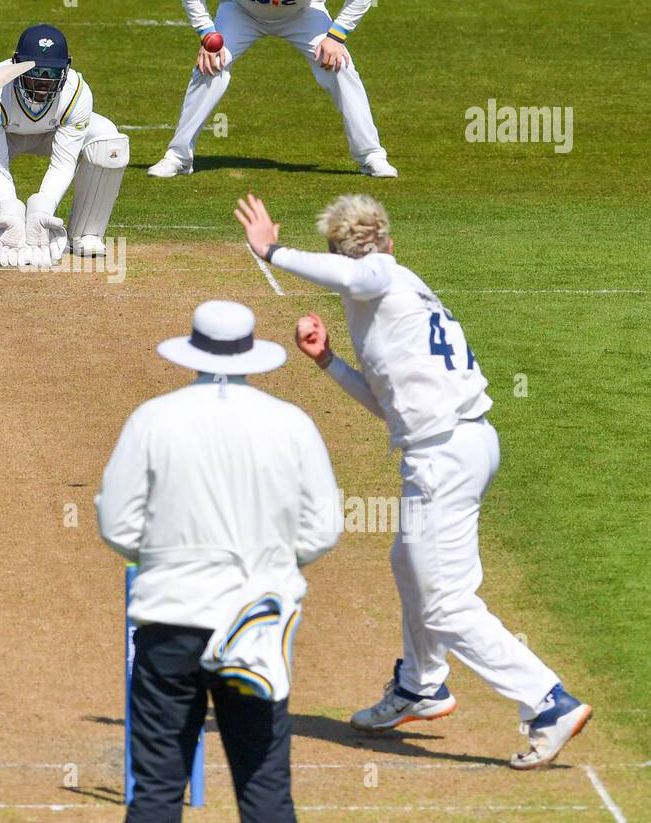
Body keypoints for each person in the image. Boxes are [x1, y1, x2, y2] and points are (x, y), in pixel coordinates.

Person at [235, 191, 593, 770]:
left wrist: (271, 251)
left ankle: (547, 701)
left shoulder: (379, 276)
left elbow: (363, 269)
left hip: (443, 460)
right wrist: (329, 362)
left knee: (446, 604)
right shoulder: (397, 296)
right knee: (410, 564)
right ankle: (421, 686)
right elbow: (392, 407)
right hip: (464, 445)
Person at [96, 300, 342, 823]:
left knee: (156, 791)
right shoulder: (290, 423)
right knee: (264, 790)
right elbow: (323, 528)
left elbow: (118, 525)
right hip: (254, 630)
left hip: (171, 624)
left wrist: (171, 557)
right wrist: (273, 568)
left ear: (194, 351)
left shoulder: (154, 419)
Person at [148, 0, 398, 179]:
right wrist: (207, 35)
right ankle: (178, 156)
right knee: (210, 65)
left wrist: (336, 36)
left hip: (302, 13)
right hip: (241, 12)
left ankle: (371, 157)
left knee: (340, 67)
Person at [0, 24, 129, 265]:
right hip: (4, 134)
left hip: (51, 134)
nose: (43, 80)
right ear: (17, 66)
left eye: (52, 72)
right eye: (35, 71)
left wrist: (42, 209)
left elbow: (63, 163)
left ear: (66, 69)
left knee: (109, 142)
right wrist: (10, 211)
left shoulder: (77, 92)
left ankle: (86, 234)